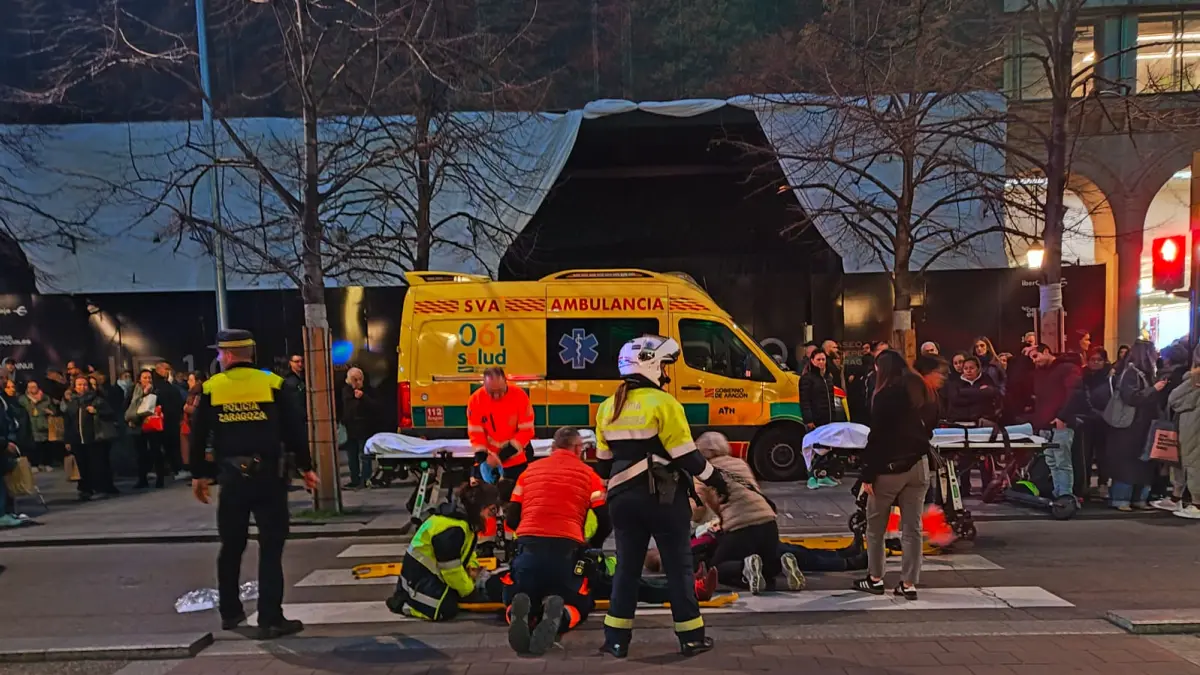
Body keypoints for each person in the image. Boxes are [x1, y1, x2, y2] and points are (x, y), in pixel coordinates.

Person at [595, 335, 729, 659]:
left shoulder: (607, 406)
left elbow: (602, 463)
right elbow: (687, 456)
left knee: (626, 569)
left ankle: (616, 640)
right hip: (663, 499)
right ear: (651, 365)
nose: (666, 374)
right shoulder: (665, 404)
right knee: (678, 569)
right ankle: (691, 638)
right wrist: (717, 479)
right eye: (664, 366)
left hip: (622, 499)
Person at [188, 329, 316, 640]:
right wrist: (306, 467)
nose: (220, 357)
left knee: (231, 546)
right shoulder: (273, 384)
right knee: (271, 547)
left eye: (220, 353)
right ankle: (270, 618)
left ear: (229, 355)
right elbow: (294, 430)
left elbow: (198, 434)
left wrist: (199, 474)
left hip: (232, 479)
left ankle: (230, 612)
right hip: (269, 477)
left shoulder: (211, 388)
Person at [504, 427, 611, 655]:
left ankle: (515, 610)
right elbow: (605, 519)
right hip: (566, 552)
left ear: (553, 448)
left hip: (528, 549)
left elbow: (512, 516)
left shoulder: (528, 472)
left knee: (514, 590)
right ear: (578, 449)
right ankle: (561, 615)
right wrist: (592, 545)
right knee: (580, 601)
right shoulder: (589, 475)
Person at [854, 350, 934, 600]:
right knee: (912, 528)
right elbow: (931, 424)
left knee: (876, 527)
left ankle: (875, 578)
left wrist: (867, 474)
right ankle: (909, 584)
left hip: (890, 469)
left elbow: (877, 437)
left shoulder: (885, 395)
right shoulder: (921, 389)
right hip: (919, 465)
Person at [693, 431, 804, 595]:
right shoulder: (740, 463)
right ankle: (781, 564)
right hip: (768, 523)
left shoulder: (704, 472)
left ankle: (743, 567)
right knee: (766, 572)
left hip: (741, 528)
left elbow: (698, 509)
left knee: (716, 568)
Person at [385, 482, 500, 622]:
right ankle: (406, 605)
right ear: (480, 508)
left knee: (459, 592)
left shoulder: (461, 522)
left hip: (427, 576)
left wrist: (474, 570)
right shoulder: (454, 529)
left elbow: (467, 553)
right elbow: (451, 570)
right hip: (419, 581)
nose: (491, 516)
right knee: (445, 609)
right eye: (492, 510)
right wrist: (469, 591)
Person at [1106, 340, 1161, 511]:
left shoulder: (1144, 374)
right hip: (1131, 426)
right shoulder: (1131, 373)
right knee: (1129, 463)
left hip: (1141, 425)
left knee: (1141, 462)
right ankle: (1122, 498)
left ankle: (1137, 498)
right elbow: (1131, 397)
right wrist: (1154, 389)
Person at [1030, 344, 1082, 510]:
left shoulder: (1067, 369)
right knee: (1052, 461)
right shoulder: (1041, 373)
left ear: (1046, 351)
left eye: (1036, 356)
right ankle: (1059, 493)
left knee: (1062, 461)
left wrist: (1062, 416)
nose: (1034, 361)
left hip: (1061, 423)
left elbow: (1074, 394)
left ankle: (1065, 496)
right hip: (1046, 423)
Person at [467, 367, 535, 482]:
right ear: (484, 385)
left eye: (500, 391)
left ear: (505, 381)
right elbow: (476, 433)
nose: (496, 396)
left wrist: (501, 456)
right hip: (490, 461)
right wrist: (482, 461)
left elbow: (526, 431)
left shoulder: (519, 396)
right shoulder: (475, 400)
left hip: (516, 459)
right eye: (491, 392)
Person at [62, 375, 119, 501]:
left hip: (94, 438)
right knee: (82, 466)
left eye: (84, 385)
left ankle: (100, 489)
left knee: (96, 465)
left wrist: (96, 411)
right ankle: (85, 489)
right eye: (79, 385)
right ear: (74, 387)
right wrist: (67, 440)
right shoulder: (71, 403)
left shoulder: (97, 400)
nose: (82, 387)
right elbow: (67, 423)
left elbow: (110, 414)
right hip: (77, 439)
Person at [1168, 344, 1200, 520]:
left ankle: (1197, 504)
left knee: (1193, 462)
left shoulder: (1195, 378)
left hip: (1193, 426)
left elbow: (1175, 399)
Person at [127, 370, 168, 489]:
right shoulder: (133, 390)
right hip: (137, 424)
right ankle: (142, 479)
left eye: (149, 377)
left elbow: (162, 405)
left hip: (152, 424)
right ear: (139, 379)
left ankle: (160, 478)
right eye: (144, 377)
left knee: (156, 451)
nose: (147, 380)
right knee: (140, 453)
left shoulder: (157, 390)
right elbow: (128, 405)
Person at [341, 367, 380, 489]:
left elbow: (375, 406)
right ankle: (355, 479)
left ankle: (365, 478)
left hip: (364, 427)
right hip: (350, 427)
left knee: (364, 455)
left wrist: (363, 397)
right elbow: (346, 408)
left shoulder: (368, 391)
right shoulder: (346, 391)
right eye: (354, 379)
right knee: (352, 456)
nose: (358, 382)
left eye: (360, 379)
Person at [946, 355, 1000, 425]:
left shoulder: (986, 378)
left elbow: (993, 393)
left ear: (978, 369)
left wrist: (963, 392)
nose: (968, 371)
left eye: (971, 368)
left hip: (984, 421)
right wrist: (980, 392)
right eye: (965, 368)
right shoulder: (955, 382)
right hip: (960, 421)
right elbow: (955, 399)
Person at [153, 361, 185, 477]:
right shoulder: (159, 386)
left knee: (171, 445)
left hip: (170, 419)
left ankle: (172, 468)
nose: (168, 372)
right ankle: (171, 468)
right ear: (159, 370)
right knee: (168, 446)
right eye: (166, 369)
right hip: (163, 420)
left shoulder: (168, 385)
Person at [19, 381, 56, 473]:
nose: (32, 389)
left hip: (44, 424)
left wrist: (51, 412)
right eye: (30, 387)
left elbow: (53, 410)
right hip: (30, 425)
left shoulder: (46, 398)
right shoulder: (23, 399)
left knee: (46, 445)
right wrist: (34, 402)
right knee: (34, 446)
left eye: (34, 386)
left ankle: (46, 463)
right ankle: (34, 464)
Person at [800, 351, 836, 432]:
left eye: (823, 359)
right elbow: (804, 401)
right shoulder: (807, 378)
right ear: (812, 361)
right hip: (815, 421)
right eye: (818, 359)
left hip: (829, 420)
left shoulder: (829, 378)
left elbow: (831, 400)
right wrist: (808, 420)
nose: (821, 362)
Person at [181, 372, 206, 476]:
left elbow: (195, 409)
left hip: (197, 426)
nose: (188, 382)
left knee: (197, 450)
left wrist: (186, 408)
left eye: (191, 380)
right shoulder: (191, 393)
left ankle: (199, 474)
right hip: (190, 425)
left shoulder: (199, 394)